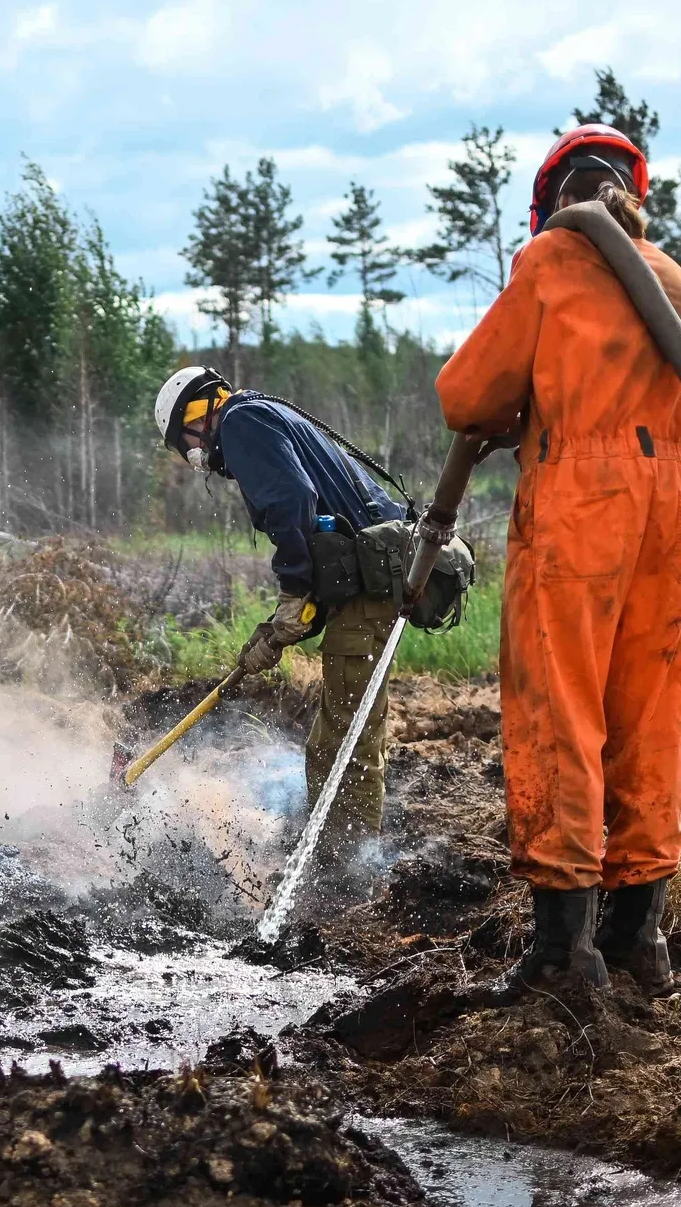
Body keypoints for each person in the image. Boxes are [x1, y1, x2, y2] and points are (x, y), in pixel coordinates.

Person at [436, 123, 681, 996]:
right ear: (633, 196)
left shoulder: (549, 264)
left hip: (584, 504)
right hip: (671, 512)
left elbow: (466, 394)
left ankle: (559, 953)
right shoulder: (671, 281)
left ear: (552, 203)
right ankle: (638, 941)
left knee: (558, 707)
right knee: (651, 716)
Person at [154, 367, 408, 863]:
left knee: (344, 739)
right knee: (344, 731)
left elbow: (291, 502)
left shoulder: (241, 420)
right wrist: (285, 625)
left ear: (197, 415)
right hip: (366, 580)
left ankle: (344, 868)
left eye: (184, 445)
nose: (192, 458)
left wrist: (293, 589)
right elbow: (320, 526)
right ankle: (342, 849)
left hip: (370, 585)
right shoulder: (265, 413)